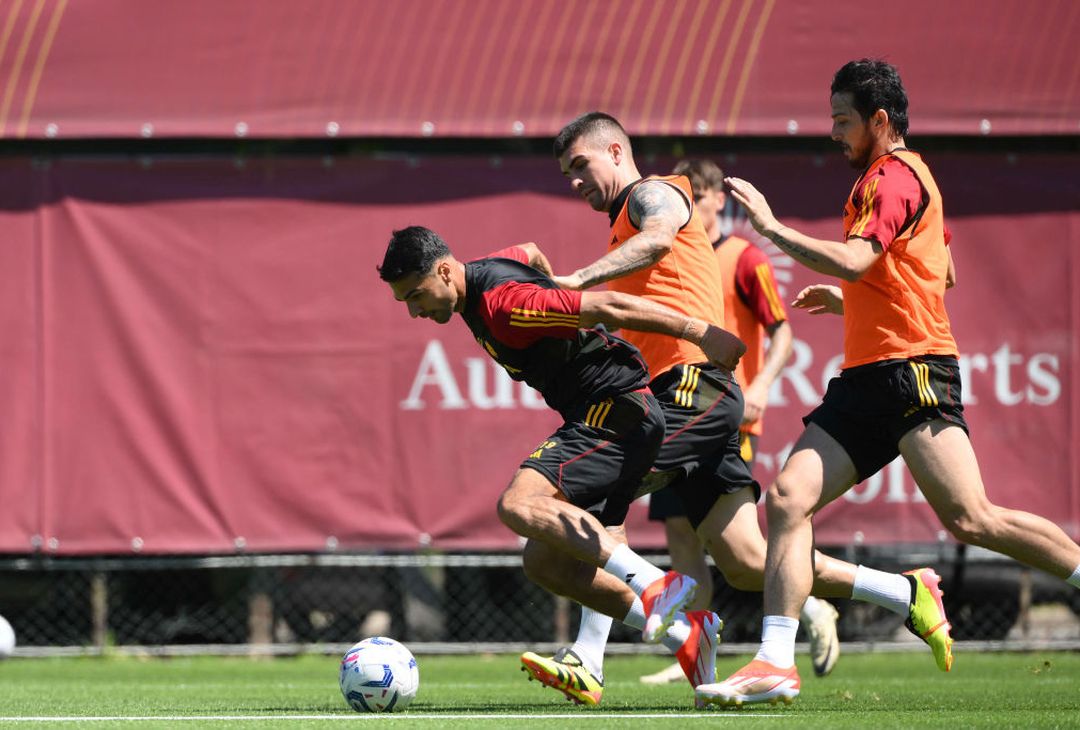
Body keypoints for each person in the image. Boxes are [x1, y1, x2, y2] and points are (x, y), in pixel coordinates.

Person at [698, 59, 1080, 708]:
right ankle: (773, 662)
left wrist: (770, 227)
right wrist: (858, 304)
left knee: (971, 518)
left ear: (880, 121)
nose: (833, 133)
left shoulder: (894, 178)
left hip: (912, 374)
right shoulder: (901, 179)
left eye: (842, 121)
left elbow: (858, 258)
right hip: (868, 377)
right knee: (790, 498)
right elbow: (943, 272)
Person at [519, 113, 922, 706]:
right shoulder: (621, 229)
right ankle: (903, 592)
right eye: (566, 174)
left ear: (614, 149)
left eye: (581, 165)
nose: (575, 181)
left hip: (690, 390)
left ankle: (593, 654)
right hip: (684, 396)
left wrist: (572, 283)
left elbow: (656, 238)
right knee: (747, 561)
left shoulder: (652, 194)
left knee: (579, 506)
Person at [379, 225, 747, 704]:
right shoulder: (486, 276)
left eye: (416, 294)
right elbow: (529, 250)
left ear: (445, 271)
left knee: (518, 504)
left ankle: (657, 586)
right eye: (404, 301)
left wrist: (700, 332)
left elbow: (610, 308)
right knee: (545, 560)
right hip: (604, 414)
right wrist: (549, 283)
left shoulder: (507, 305)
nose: (414, 310)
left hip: (617, 412)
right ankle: (685, 636)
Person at [638, 158, 838, 686]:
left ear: (717, 201)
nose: (689, 208)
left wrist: (762, 385)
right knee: (681, 535)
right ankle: (691, 640)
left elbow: (783, 332)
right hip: (676, 407)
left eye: (698, 198)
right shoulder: (677, 257)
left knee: (741, 549)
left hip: (722, 414)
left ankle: (811, 604)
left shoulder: (745, 259)